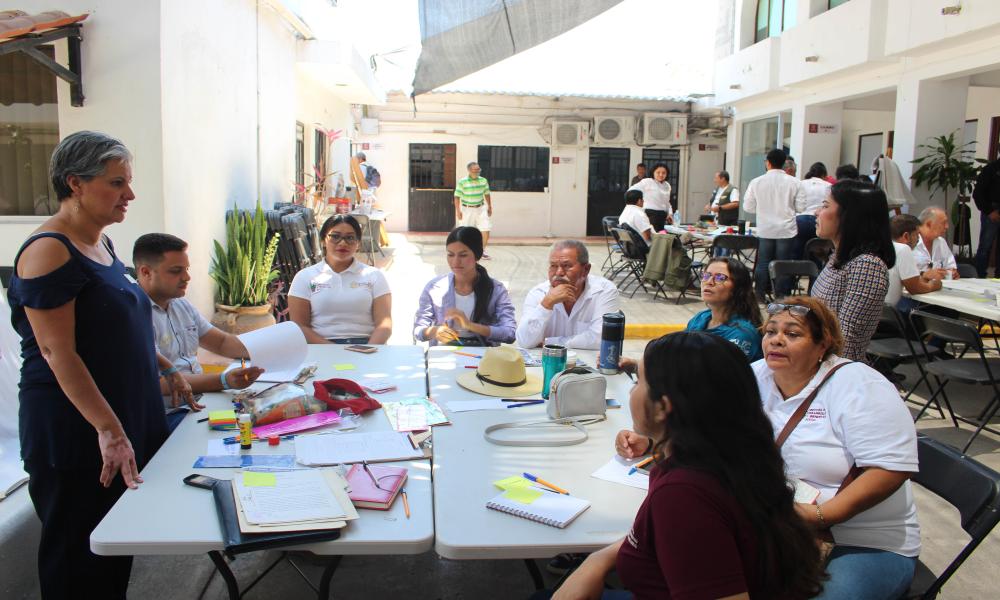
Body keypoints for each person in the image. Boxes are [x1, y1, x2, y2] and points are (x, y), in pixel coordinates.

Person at [7, 131, 174, 597]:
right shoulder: (48, 250)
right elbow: (57, 352)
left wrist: (166, 366)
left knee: (111, 553)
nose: (130, 195)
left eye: (129, 182)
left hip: (115, 422)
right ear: (75, 184)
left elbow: (117, 325)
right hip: (78, 431)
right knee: (77, 559)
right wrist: (110, 431)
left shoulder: (101, 244)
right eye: (116, 183)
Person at [550, 332, 824, 600]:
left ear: (662, 408)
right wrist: (598, 560)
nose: (633, 390)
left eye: (639, 381)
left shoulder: (684, 495)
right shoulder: (731, 460)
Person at [757, 297, 920, 600]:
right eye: (770, 331)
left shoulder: (858, 385)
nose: (776, 340)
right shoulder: (757, 375)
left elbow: (890, 469)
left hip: (862, 541)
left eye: (792, 334)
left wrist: (819, 515)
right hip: (779, 528)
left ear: (823, 345)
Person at [133, 233, 264, 432]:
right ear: (146, 272)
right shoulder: (134, 314)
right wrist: (223, 380)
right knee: (241, 436)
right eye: (176, 271)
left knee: (269, 416)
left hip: (204, 398)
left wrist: (268, 349)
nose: (186, 277)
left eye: (186, 269)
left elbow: (220, 342)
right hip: (171, 413)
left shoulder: (180, 303)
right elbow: (160, 382)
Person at [811, 179, 895, 362]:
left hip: (837, 370)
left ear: (850, 216)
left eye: (825, 206)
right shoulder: (838, 257)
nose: (817, 212)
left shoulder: (867, 266)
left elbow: (846, 339)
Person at [288, 214, 392, 344]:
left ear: (358, 243)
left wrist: (368, 350)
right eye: (335, 236)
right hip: (321, 347)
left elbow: (384, 324)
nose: (343, 243)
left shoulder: (374, 276)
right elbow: (300, 326)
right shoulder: (305, 277)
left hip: (366, 345)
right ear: (323, 241)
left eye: (350, 238)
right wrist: (334, 350)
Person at [413, 226, 516, 346]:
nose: (455, 262)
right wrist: (434, 331)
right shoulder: (434, 287)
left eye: (463, 255)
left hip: (484, 357)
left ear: (477, 255)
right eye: (450, 255)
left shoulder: (496, 290)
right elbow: (418, 330)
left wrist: (470, 325)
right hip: (443, 354)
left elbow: (509, 333)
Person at [516, 240, 620, 350]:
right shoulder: (538, 294)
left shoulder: (604, 291)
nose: (558, 272)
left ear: (585, 270)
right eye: (553, 266)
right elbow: (524, 341)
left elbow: (602, 339)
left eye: (566, 266)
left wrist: (551, 342)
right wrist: (547, 304)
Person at [743, 148, 807, 300]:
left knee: (763, 263)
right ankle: (781, 296)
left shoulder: (756, 182)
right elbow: (801, 208)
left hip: (765, 229)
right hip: (786, 230)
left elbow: (748, 207)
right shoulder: (795, 183)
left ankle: (759, 294)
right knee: (783, 264)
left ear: (768, 163)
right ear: (784, 163)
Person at [686, 257, 763, 361]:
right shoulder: (700, 317)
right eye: (706, 275)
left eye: (720, 278)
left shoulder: (742, 333)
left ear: (737, 288)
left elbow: (720, 374)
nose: (709, 282)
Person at [886, 214, 942, 311]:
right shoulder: (903, 249)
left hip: (882, 312)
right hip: (891, 314)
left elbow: (910, 280)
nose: (918, 239)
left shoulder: (885, 246)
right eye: (916, 234)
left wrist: (922, 276)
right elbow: (915, 289)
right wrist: (935, 285)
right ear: (906, 236)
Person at [793, 162, 833, 259]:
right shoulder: (829, 186)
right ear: (824, 175)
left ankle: (794, 272)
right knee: (816, 252)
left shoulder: (801, 183)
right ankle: (814, 271)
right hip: (818, 221)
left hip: (800, 221)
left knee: (796, 252)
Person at [454, 161, 493, 258]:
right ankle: (464, 252)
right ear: (469, 170)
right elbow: (457, 196)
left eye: (478, 169)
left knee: (486, 229)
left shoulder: (483, 180)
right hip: (466, 209)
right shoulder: (462, 182)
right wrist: (458, 211)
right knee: (464, 232)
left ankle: (481, 251)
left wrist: (489, 206)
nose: (477, 171)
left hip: (481, 208)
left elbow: (487, 194)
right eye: (475, 170)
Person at [913, 206, 959, 280]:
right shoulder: (910, 242)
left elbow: (951, 267)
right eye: (943, 223)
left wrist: (952, 273)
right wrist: (924, 275)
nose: (947, 227)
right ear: (929, 224)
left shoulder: (941, 242)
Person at [973, 157, 1000, 276]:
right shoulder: (991, 168)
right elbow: (978, 193)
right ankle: (979, 275)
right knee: (985, 246)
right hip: (991, 210)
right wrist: (989, 211)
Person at [628, 162, 673, 231]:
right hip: (650, 215)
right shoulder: (648, 182)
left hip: (662, 216)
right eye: (658, 172)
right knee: (651, 239)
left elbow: (667, 202)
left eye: (664, 173)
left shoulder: (667, 185)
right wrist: (637, 205)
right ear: (653, 172)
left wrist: (670, 213)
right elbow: (631, 190)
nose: (661, 175)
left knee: (660, 238)